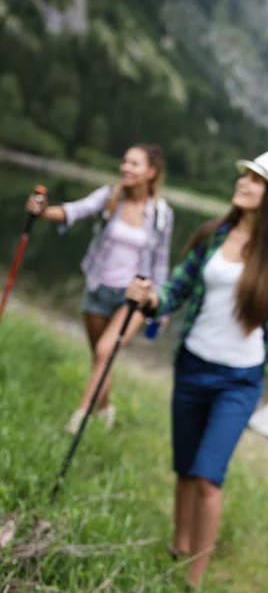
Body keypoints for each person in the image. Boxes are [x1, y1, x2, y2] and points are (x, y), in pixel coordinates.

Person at [126, 149, 268, 588]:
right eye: (244, 176)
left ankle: (191, 581)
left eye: (256, 179)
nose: (243, 182)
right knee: (186, 468)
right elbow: (176, 289)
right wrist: (151, 300)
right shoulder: (213, 235)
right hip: (192, 366)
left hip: (239, 381)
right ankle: (177, 546)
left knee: (209, 477)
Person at [25, 144, 172, 433]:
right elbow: (75, 211)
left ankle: (79, 419)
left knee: (106, 351)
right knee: (100, 357)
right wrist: (42, 213)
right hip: (98, 287)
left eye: (134, 164)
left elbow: (161, 262)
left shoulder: (161, 215)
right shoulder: (109, 197)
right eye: (124, 161)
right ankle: (106, 408)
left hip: (133, 299)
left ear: (151, 172)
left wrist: (161, 303)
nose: (125, 168)